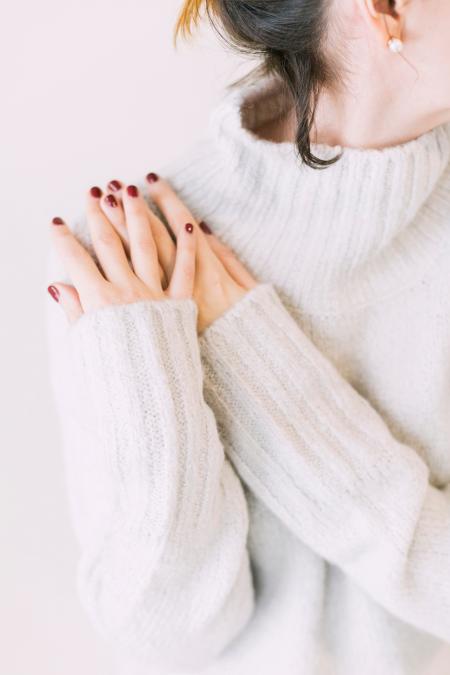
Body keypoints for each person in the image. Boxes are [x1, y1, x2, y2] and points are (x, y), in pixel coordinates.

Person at [45, 1, 450, 673]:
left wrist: (264, 377)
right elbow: (164, 639)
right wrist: (153, 378)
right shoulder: (129, 260)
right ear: (385, 9)